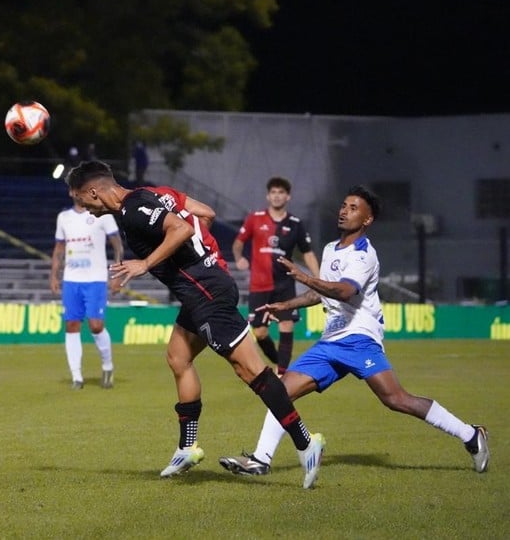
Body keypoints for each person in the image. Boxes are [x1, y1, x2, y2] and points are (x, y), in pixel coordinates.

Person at [65, 160, 325, 487]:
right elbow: (205, 214)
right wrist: (202, 256)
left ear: (94, 191)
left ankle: (306, 443)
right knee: (178, 357)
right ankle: (187, 448)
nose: (85, 209)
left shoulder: (133, 209)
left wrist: (146, 263)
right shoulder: (150, 195)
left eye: (83, 200)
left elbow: (183, 228)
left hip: (207, 293)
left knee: (252, 372)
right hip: (200, 290)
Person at [219, 185, 490, 478]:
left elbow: (345, 291)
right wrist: (286, 303)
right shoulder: (330, 249)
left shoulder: (364, 254)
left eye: (353, 208)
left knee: (396, 399)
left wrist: (304, 277)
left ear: (367, 220)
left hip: (360, 338)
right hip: (330, 341)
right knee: (279, 393)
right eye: (344, 205)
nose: (344, 211)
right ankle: (261, 459)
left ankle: (470, 435)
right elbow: (321, 294)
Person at [233, 176, 320, 374]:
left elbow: (307, 252)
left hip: (284, 285)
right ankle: (280, 364)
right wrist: (239, 258)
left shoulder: (295, 224)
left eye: (281, 192)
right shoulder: (255, 218)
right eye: (273, 192)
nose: (277, 196)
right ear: (268, 196)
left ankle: (282, 373)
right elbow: (238, 242)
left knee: (286, 325)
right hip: (259, 285)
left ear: (287, 197)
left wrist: (317, 279)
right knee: (260, 332)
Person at [50, 194, 124, 390]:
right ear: (71, 193)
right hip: (71, 280)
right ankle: (77, 377)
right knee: (72, 325)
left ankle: (107, 366)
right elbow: (59, 248)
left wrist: (117, 273)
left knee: (96, 325)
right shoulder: (64, 217)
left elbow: (117, 244)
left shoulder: (103, 215)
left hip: (96, 279)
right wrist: (54, 275)